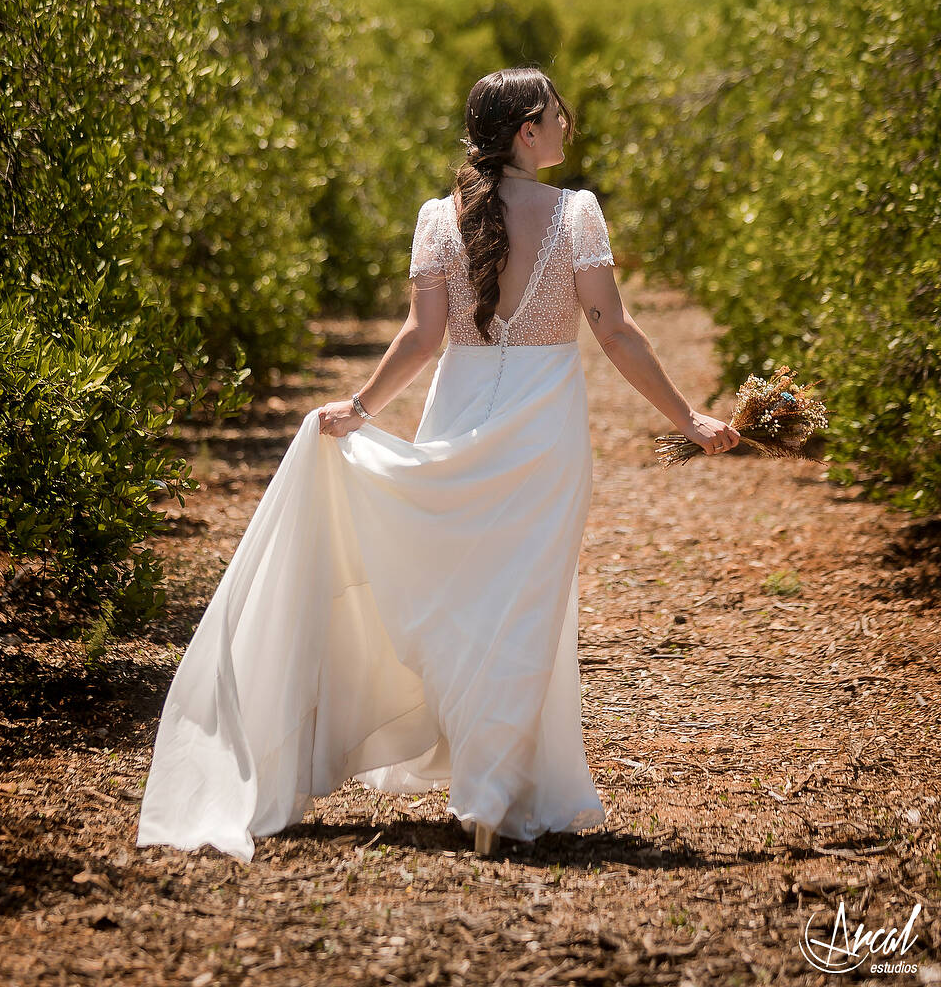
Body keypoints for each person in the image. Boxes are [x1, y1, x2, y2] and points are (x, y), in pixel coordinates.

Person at [136, 66, 739, 866]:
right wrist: (686, 417)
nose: (568, 127)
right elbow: (615, 330)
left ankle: (488, 784)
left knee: (462, 593)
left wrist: (361, 408)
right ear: (528, 129)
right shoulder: (577, 215)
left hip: (457, 412)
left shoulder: (436, 219)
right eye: (558, 115)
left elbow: (422, 338)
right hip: (542, 434)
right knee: (525, 601)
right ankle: (493, 793)